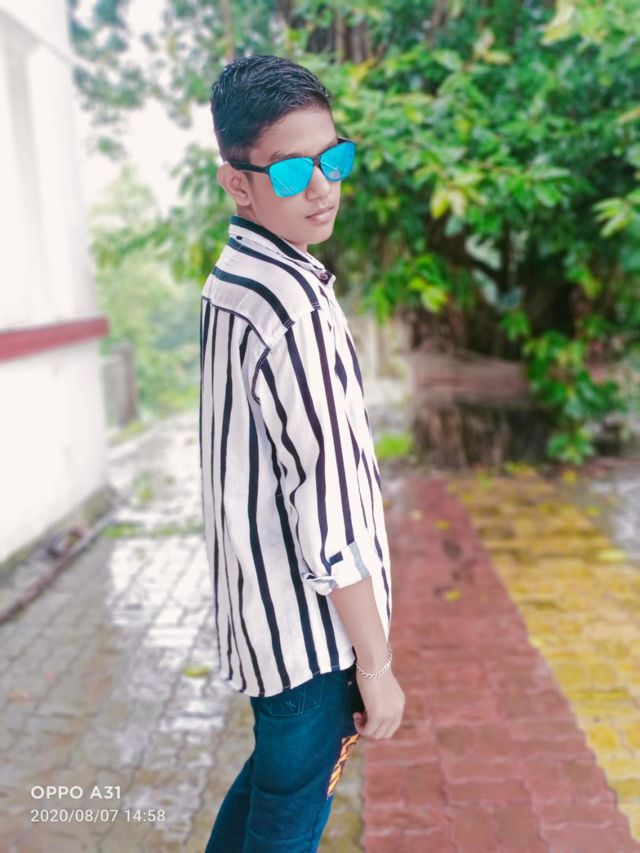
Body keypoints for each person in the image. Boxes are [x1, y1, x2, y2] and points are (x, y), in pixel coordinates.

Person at [199, 54, 405, 853]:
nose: (322, 187)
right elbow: (329, 515)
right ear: (238, 183)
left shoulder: (235, 277)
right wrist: (376, 668)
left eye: (333, 158)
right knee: (287, 821)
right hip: (314, 644)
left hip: (264, 624)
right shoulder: (293, 310)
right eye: (291, 170)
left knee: (271, 794)